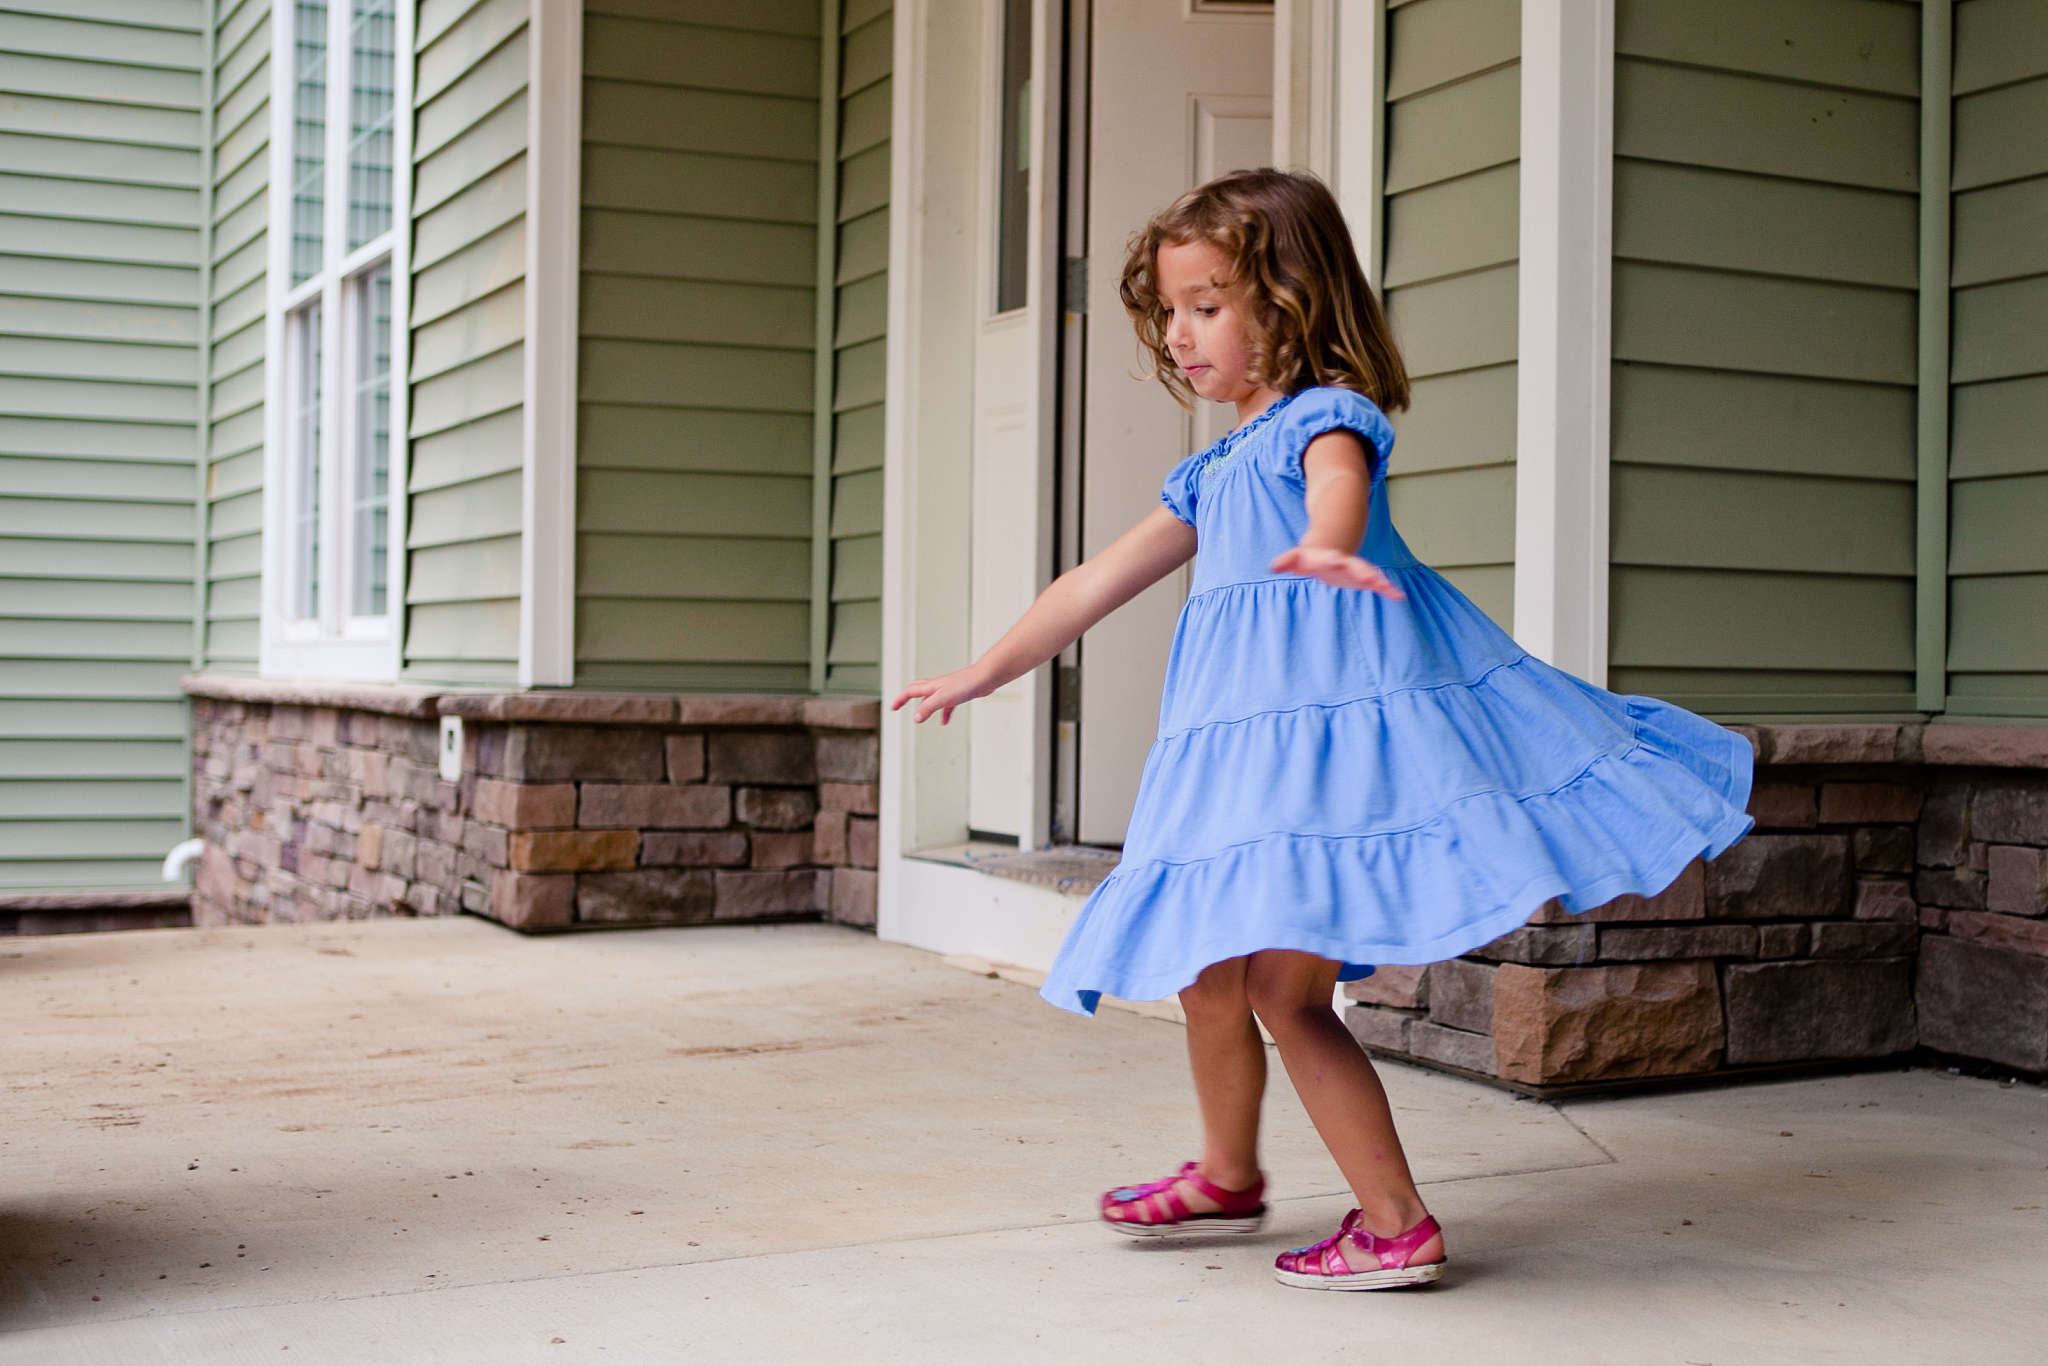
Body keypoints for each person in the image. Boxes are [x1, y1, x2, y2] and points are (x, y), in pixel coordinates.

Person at [891, 169, 1753, 1291]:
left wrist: (1332, 542)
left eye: (1209, 304)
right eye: (1169, 310)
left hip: (1321, 762)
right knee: (1210, 975)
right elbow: (1094, 578)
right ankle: (1226, 1171)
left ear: (1288, 299)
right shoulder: (1210, 469)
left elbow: (1336, 481)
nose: (1181, 332)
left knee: (1280, 994)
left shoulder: (1320, 416)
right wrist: (985, 668)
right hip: (1240, 757)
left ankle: (1393, 1220)